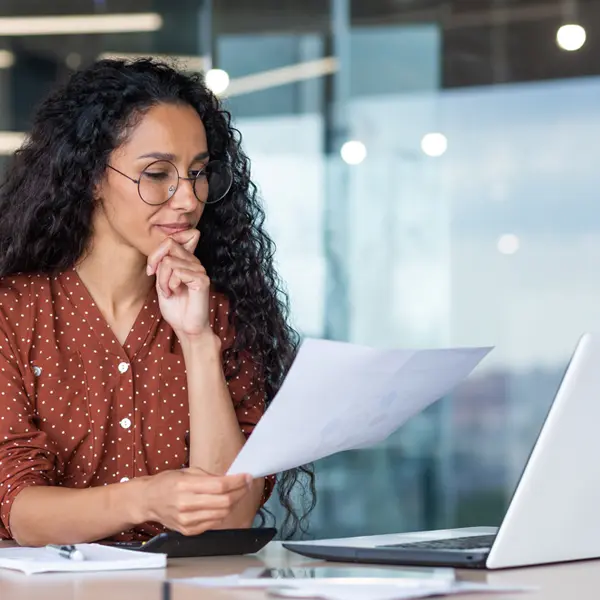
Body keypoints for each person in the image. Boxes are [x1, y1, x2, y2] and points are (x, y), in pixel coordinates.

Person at [0, 58, 315, 546]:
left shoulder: (219, 315)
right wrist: (145, 499)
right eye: (157, 173)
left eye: (197, 173)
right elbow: (19, 509)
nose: (188, 199)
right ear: (90, 177)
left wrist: (197, 341)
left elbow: (228, 518)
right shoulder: (13, 314)